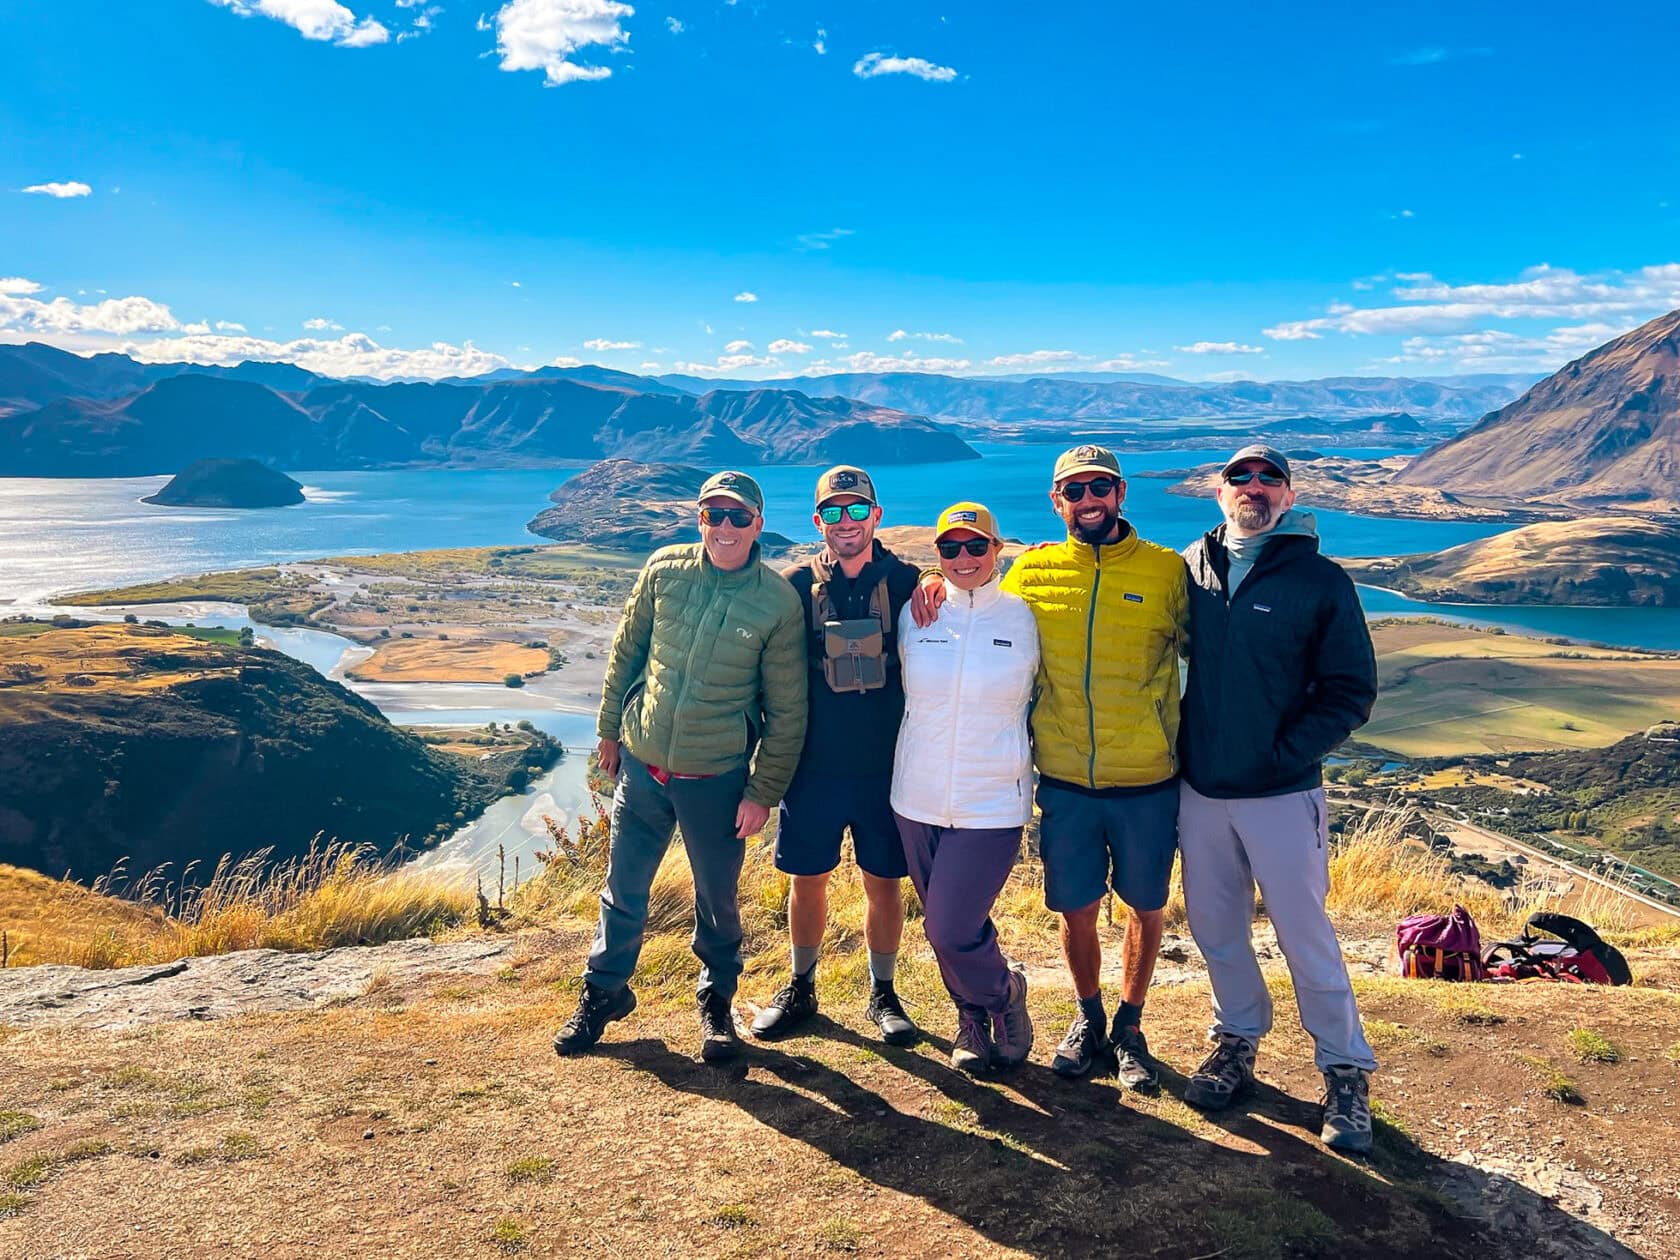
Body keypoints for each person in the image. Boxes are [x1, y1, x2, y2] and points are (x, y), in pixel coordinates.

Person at [915, 445, 1186, 1088]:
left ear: (1120, 494)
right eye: (1074, 490)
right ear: (1056, 501)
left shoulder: (1166, 573)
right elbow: (977, 604)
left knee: (1146, 907)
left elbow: (1214, 653)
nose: (1088, 500)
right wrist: (936, 583)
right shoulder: (1032, 575)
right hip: (1065, 778)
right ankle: (1089, 1017)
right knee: (1077, 909)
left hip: (1148, 776)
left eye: (1100, 487)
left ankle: (1131, 1027)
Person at [553, 470, 807, 1063]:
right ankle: (604, 992)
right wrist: (609, 729)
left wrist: (761, 791)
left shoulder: (776, 602)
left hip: (716, 779)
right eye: (713, 515)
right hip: (642, 766)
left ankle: (716, 1002)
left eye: (737, 516)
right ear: (699, 520)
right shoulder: (664, 570)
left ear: (758, 524)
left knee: (716, 898)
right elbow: (627, 648)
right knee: (624, 889)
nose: (724, 527)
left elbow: (788, 711)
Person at [1175, 444, 1380, 1154]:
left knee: (1306, 935)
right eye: (1241, 478)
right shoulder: (1189, 570)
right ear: (1218, 493)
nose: (1254, 489)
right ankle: (1236, 1041)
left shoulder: (1319, 581)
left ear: (1289, 497)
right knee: (1216, 929)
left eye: (1270, 479)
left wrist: (1283, 754)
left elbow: (1351, 690)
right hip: (1199, 792)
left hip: (1281, 795)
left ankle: (1345, 1070)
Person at [750, 466, 922, 1046]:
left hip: (885, 767)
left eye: (856, 511)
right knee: (808, 879)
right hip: (814, 767)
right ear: (818, 520)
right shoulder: (794, 585)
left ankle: (884, 991)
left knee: (883, 882)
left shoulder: (909, 582)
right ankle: (801, 985)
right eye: (832, 512)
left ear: (876, 516)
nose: (845, 523)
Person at [892, 503, 1040, 1072]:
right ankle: (972, 1022)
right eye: (949, 549)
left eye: (976, 546)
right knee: (948, 927)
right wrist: (925, 584)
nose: (963, 558)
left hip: (992, 799)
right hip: (916, 795)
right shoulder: (916, 615)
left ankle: (1004, 996)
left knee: (949, 927)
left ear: (997, 551)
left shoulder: (1027, 618)